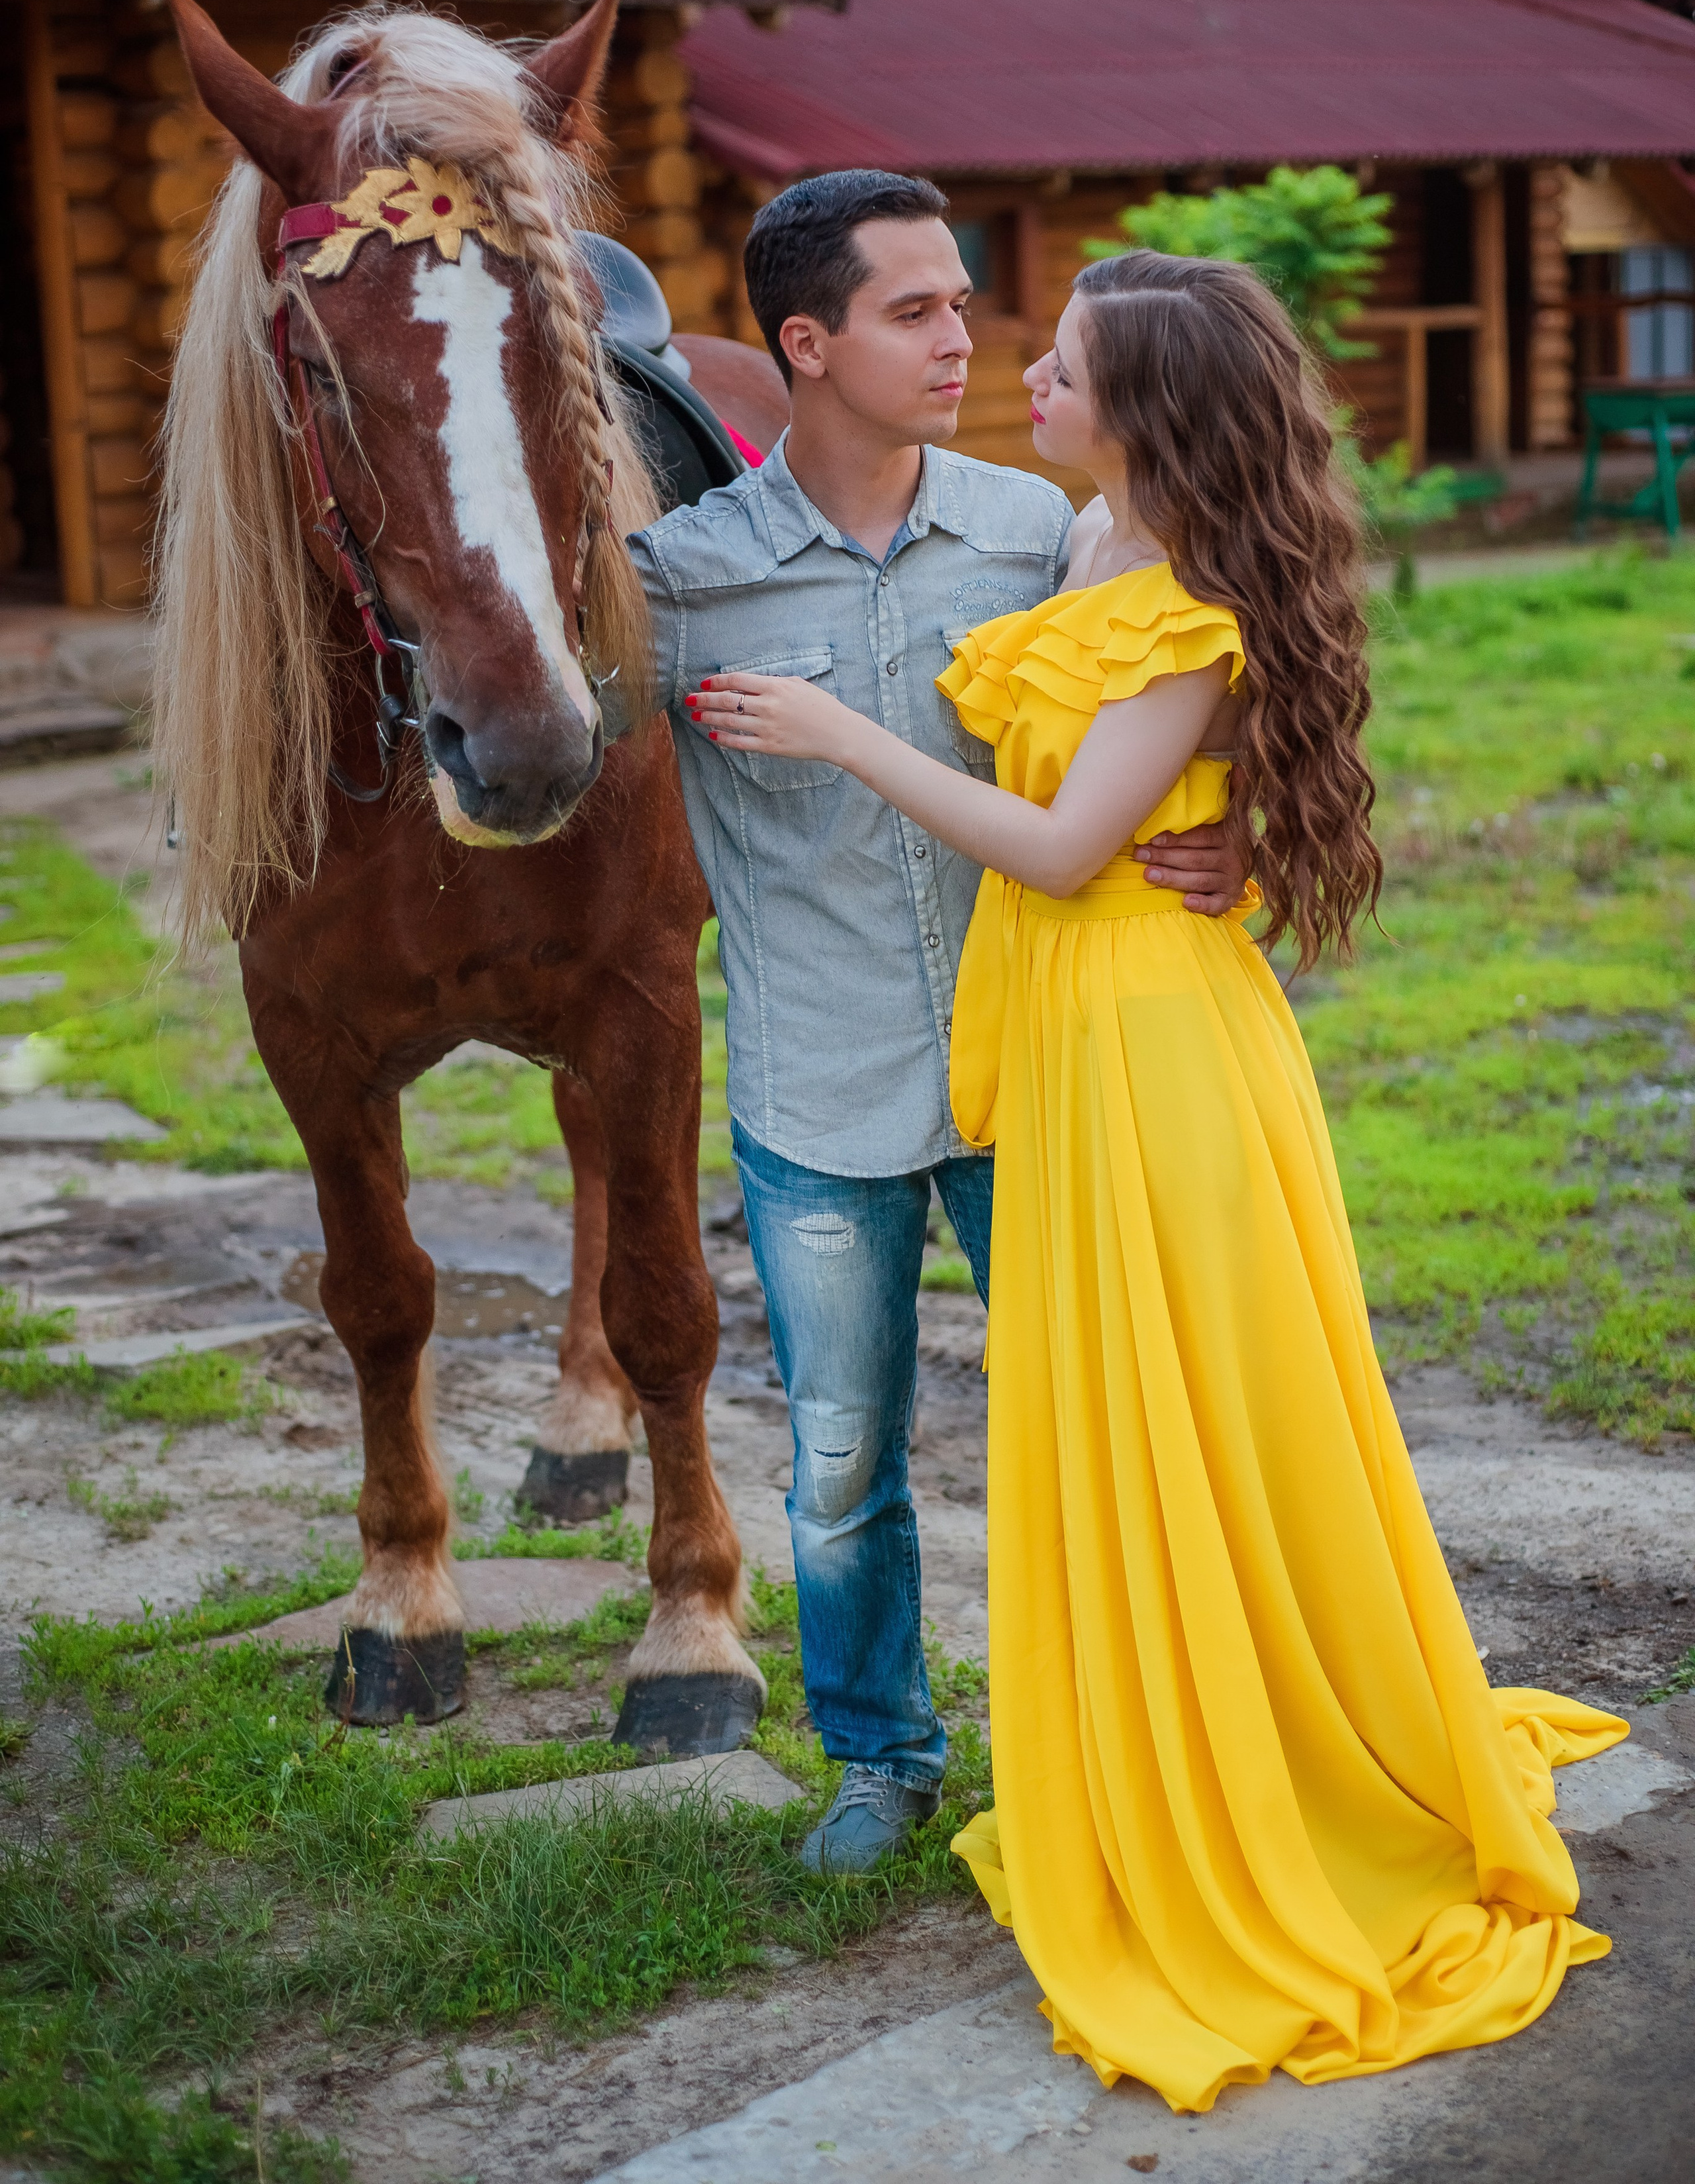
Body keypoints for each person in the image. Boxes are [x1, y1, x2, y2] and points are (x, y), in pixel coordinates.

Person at [686, 248, 1627, 2109]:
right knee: (1113, 1413)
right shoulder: (1080, 536)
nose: (1018, 374)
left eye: (1062, 363)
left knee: (1185, 1406)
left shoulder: (1181, 596)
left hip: (1149, 1046)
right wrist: (1242, 830)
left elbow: (1054, 845)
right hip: (1084, 1027)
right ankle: (1136, 1727)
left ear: (1150, 409)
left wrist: (843, 735)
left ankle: (1251, 1762)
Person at [622, 174, 1247, 1875]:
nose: (961, 340)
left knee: (1097, 1432)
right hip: (820, 1094)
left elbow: (1213, 663)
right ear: (806, 345)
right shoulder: (678, 584)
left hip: (1047, 1079)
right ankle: (882, 1760)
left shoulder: (1038, 528)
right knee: (840, 1469)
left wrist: (1246, 812)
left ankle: (1120, 1750)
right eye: (915, 311)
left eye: (964, 304)